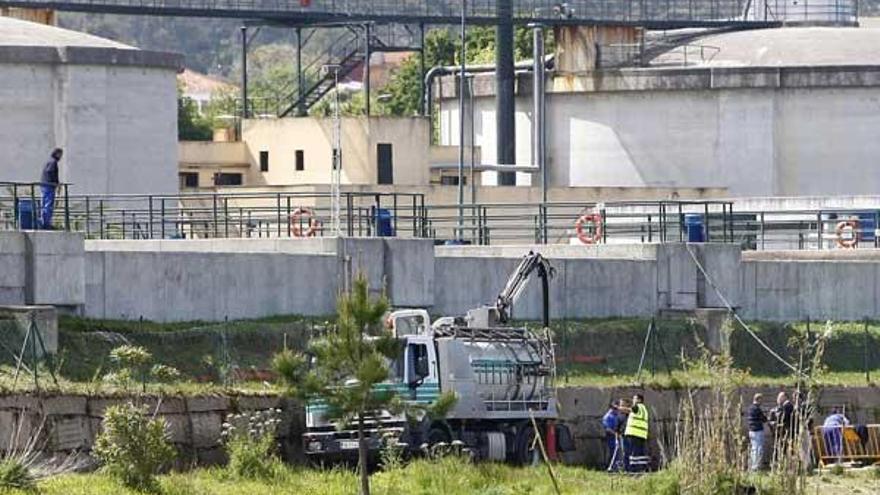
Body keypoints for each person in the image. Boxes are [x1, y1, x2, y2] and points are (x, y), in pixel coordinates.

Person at [619, 393, 649, 472]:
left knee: (633, 453)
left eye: (634, 399)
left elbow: (630, 409)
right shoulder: (644, 409)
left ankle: (634, 470)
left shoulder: (638, 407)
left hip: (634, 434)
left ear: (639, 400)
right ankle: (642, 468)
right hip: (641, 434)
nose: (633, 400)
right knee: (639, 453)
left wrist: (619, 408)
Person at [40, 148, 62, 229]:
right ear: (57, 154)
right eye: (60, 154)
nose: (60, 157)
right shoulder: (53, 162)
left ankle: (44, 222)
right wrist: (56, 183)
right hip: (49, 185)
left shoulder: (48, 161)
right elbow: (51, 173)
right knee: (48, 205)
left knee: (44, 204)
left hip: (44, 185)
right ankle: (46, 223)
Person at [747, 393, 768, 472]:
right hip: (757, 430)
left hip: (751, 430)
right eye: (761, 400)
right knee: (758, 448)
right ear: (758, 399)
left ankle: (753, 464)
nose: (762, 402)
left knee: (753, 448)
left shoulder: (750, 408)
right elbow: (764, 419)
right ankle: (756, 466)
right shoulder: (757, 409)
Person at [601, 400, 624, 471]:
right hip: (611, 437)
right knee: (613, 452)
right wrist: (615, 434)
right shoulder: (608, 416)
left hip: (616, 436)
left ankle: (616, 466)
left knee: (617, 452)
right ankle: (612, 467)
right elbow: (607, 429)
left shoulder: (616, 415)